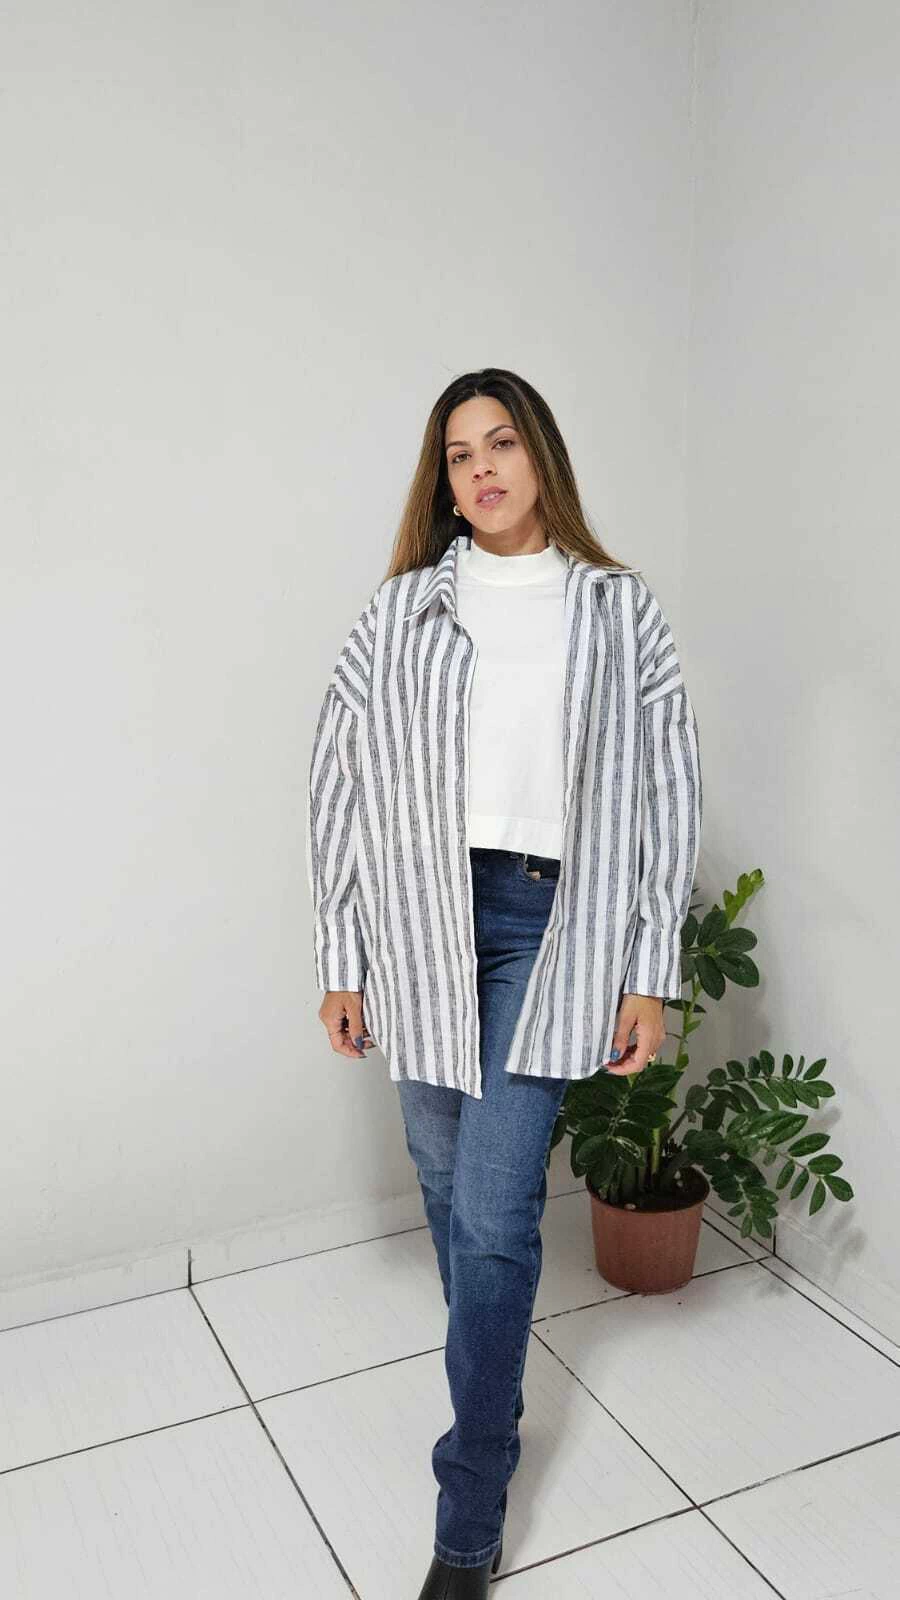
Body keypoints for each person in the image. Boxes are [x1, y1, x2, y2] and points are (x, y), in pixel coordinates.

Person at [306, 367, 702, 1599]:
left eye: (503, 443)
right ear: (444, 480)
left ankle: (468, 1509)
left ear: (542, 458)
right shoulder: (402, 611)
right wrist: (342, 953)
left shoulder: (618, 609)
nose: (481, 468)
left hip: (551, 924)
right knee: (443, 1180)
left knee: (492, 1213)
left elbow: (669, 793)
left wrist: (650, 972)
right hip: (421, 919)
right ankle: (494, 1374)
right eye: (459, 453)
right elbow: (338, 775)